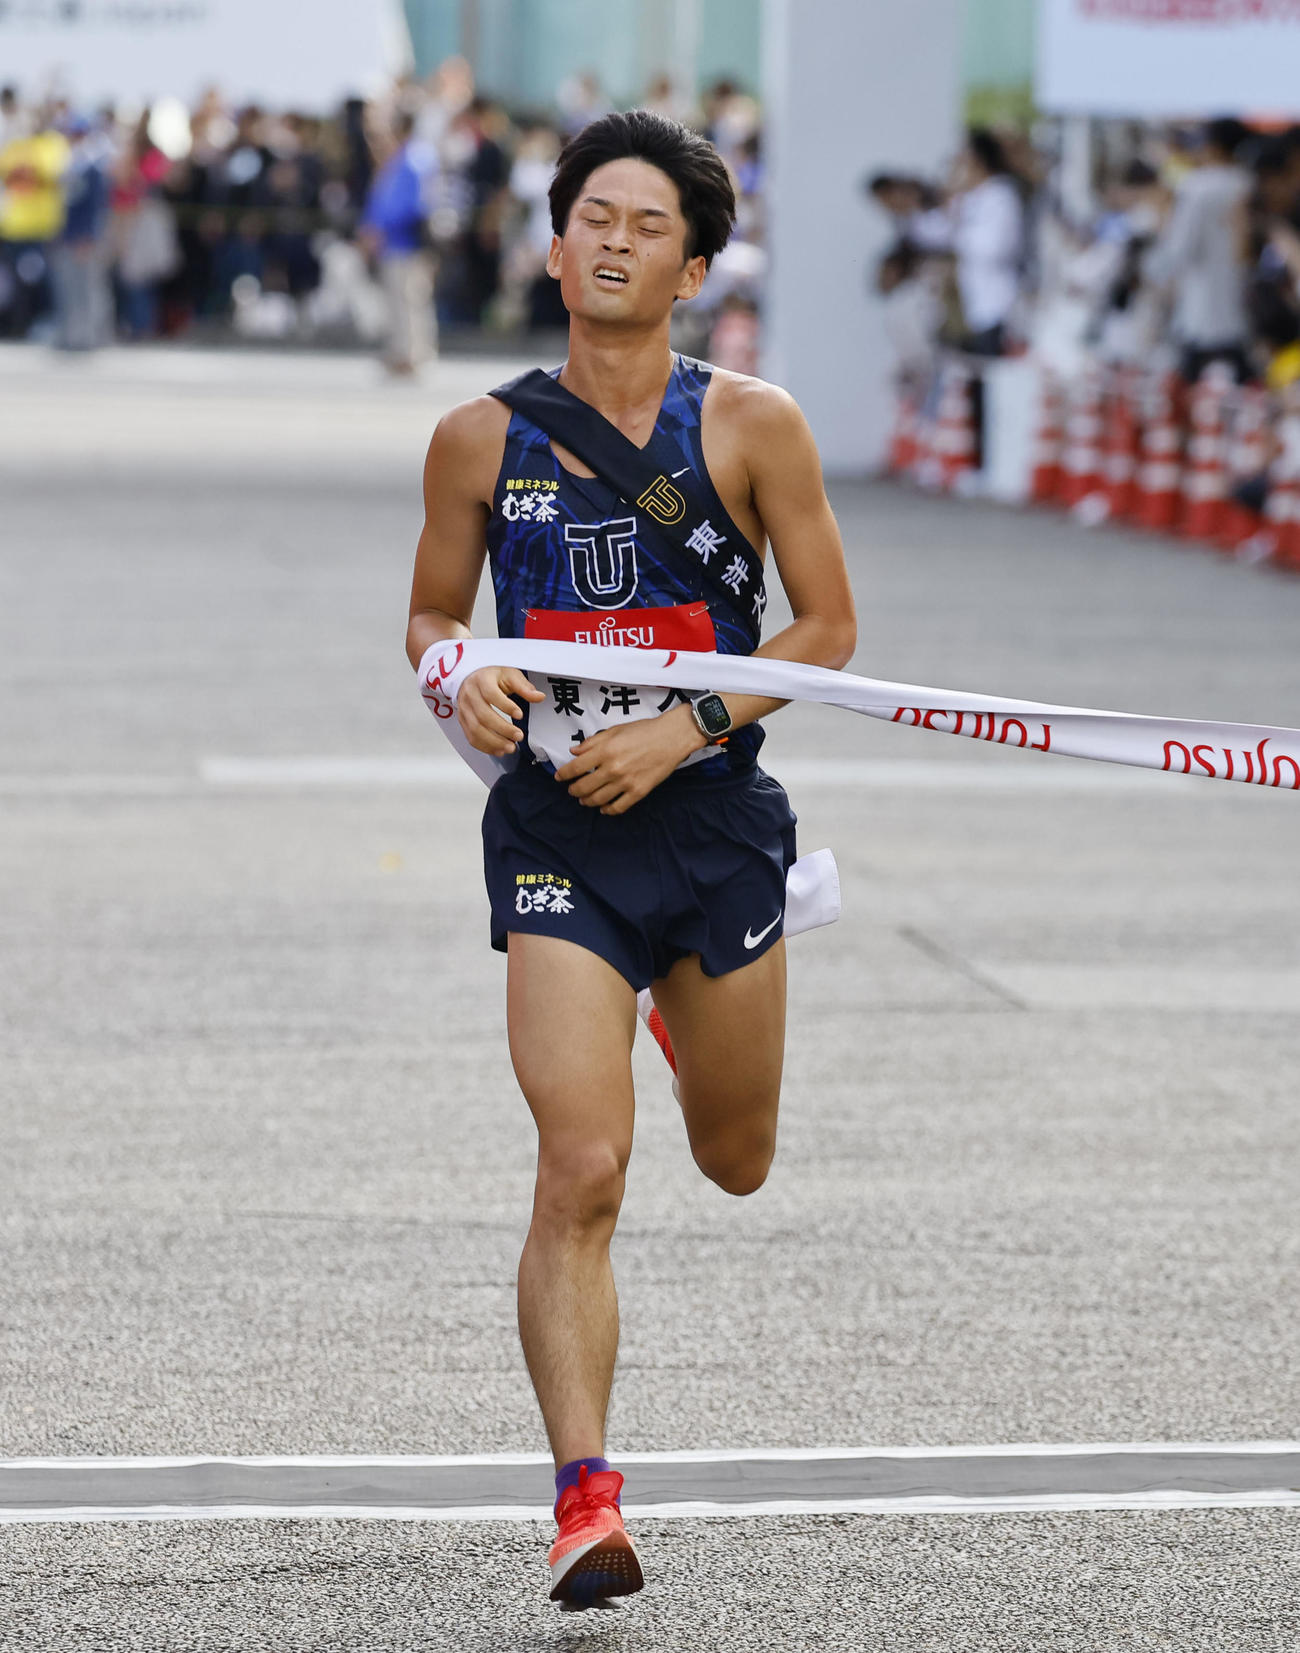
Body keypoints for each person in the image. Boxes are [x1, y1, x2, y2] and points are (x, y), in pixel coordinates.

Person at [405, 110, 856, 1606]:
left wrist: (682, 728)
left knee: (734, 1158)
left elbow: (826, 629)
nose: (613, 240)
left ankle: (677, 1008)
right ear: (552, 248)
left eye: (647, 224)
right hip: (558, 835)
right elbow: (431, 613)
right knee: (583, 1166)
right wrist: (456, 672)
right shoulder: (478, 437)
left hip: (712, 823)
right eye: (592, 216)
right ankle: (584, 1501)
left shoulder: (754, 425)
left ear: (695, 268)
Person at [1145, 117, 1253, 385]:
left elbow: (1180, 247)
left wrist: (1154, 272)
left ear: (1214, 146)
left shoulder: (1198, 186)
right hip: (1242, 299)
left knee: (1193, 384)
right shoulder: (1248, 181)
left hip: (1202, 304)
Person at [359, 109, 437, 376]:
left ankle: (413, 354)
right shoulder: (401, 159)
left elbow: (411, 206)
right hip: (393, 243)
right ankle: (400, 351)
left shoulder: (414, 159)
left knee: (410, 300)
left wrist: (381, 228)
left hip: (406, 242)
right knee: (398, 301)